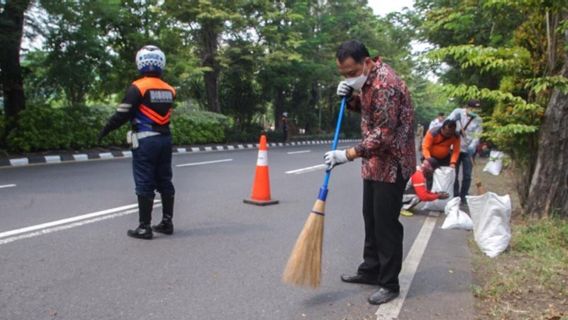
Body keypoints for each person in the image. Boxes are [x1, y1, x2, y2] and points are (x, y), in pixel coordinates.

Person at [324, 40, 416, 306]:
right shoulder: (367, 82)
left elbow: (383, 136)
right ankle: (371, 269)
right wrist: (350, 98)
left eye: (352, 72)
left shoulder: (387, 85)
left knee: (386, 225)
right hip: (375, 164)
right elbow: (368, 109)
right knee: (371, 219)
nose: (350, 77)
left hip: (392, 164)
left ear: (366, 62)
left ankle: (389, 283)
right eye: (344, 75)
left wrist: (347, 155)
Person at [98, 45, 176, 240]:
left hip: (145, 140)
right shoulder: (170, 90)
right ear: (161, 63)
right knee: (165, 180)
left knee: (144, 181)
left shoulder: (138, 87)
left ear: (140, 62)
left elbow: (122, 114)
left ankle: (144, 227)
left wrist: (104, 131)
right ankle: (167, 222)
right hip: (165, 140)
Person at [447, 99, 483, 203]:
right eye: (473, 108)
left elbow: (478, 135)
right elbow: (447, 123)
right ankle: (455, 194)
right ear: (467, 107)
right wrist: (454, 123)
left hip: (468, 151)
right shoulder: (457, 112)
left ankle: (464, 195)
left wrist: (473, 145)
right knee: (455, 173)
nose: (475, 111)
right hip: (456, 148)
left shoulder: (478, 119)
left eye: (477, 109)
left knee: (467, 174)